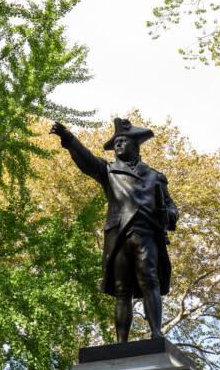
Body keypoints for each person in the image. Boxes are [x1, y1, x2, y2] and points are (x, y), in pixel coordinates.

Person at [50, 118, 178, 343]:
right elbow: (87, 161)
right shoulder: (108, 171)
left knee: (150, 281)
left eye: (122, 141)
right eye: (115, 142)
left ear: (135, 147)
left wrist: (167, 214)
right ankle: (121, 343)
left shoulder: (155, 176)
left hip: (147, 234)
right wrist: (68, 138)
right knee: (122, 290)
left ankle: (156, 334)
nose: (117, 145)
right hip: (119, 237)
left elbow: (172, 208)